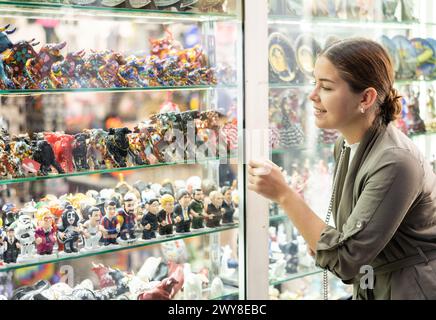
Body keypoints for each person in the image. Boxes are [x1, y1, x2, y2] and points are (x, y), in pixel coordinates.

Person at [248, 38, 436, 300]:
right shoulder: (346, 145)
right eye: (315, 83)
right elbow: (347, 240)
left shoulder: (395, 162)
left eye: (325, 87)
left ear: (366, 97)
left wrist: (284, 194)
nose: (313, 95)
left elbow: (346, 260)